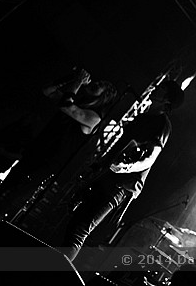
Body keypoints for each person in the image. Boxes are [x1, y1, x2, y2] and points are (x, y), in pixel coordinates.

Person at [59, 80, 184, 261]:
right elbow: (119, 147)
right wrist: (98, 166)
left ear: (167, 99)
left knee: (80, 229)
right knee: (74, 223)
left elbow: (150, 157)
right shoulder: (141, 117)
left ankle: (57, 271)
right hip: (105, 176)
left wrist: (126, 168)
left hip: (122, 185)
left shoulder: (162, 123)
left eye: (162, 88)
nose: (156, 87)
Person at [0, 67, 117, 228]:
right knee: (0, 194)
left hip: (45, 164)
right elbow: (48, 91)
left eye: (99, 85)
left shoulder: (94, 117)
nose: (95, 83)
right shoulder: (75, 101)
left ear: (104, 96)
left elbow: (65, 105)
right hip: (33, 154)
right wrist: (70, 78)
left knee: (6, 201)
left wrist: (77, 83)